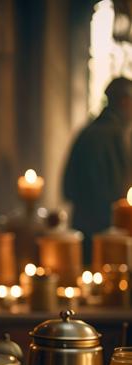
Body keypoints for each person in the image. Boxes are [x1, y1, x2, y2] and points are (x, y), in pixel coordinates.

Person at [63, 77, 132, 264]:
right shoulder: (119, 136)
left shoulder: (86, 132)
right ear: (125, 101)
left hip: (82, 228)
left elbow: (67, 188)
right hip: (111, 234)